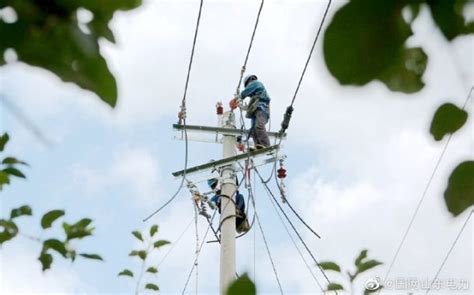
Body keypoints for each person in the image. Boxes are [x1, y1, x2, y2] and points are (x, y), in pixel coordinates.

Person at [230, 75, 271, 149]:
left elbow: (245, 92)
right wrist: (240, 104)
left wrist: (236, 98)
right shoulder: (254, 97)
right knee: (253, 130)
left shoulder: (256, 83)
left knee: (259, 127)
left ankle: (266, 145)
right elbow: (248, 105)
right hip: (255, 111)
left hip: (262, 109)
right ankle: (258, 145)